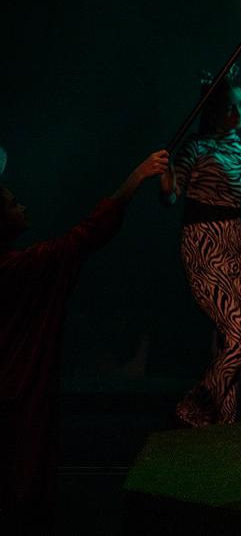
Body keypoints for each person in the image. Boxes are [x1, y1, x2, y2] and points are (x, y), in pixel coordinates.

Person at [1, 149, 168, 529]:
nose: (21, 205)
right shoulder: (24, 267)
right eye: (12, 203)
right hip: (19, 401)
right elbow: (87, 235)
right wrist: (137, 176)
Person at [159, 69, 241, 427]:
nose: (238, 113)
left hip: (237, 243)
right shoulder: (195, 148)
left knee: (229, 342)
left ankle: (225, 423)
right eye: (230, 107)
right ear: (213, 110)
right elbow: (170, 198)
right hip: (201, 241)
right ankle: (194, 403)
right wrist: (165, 178)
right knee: (240, 341)